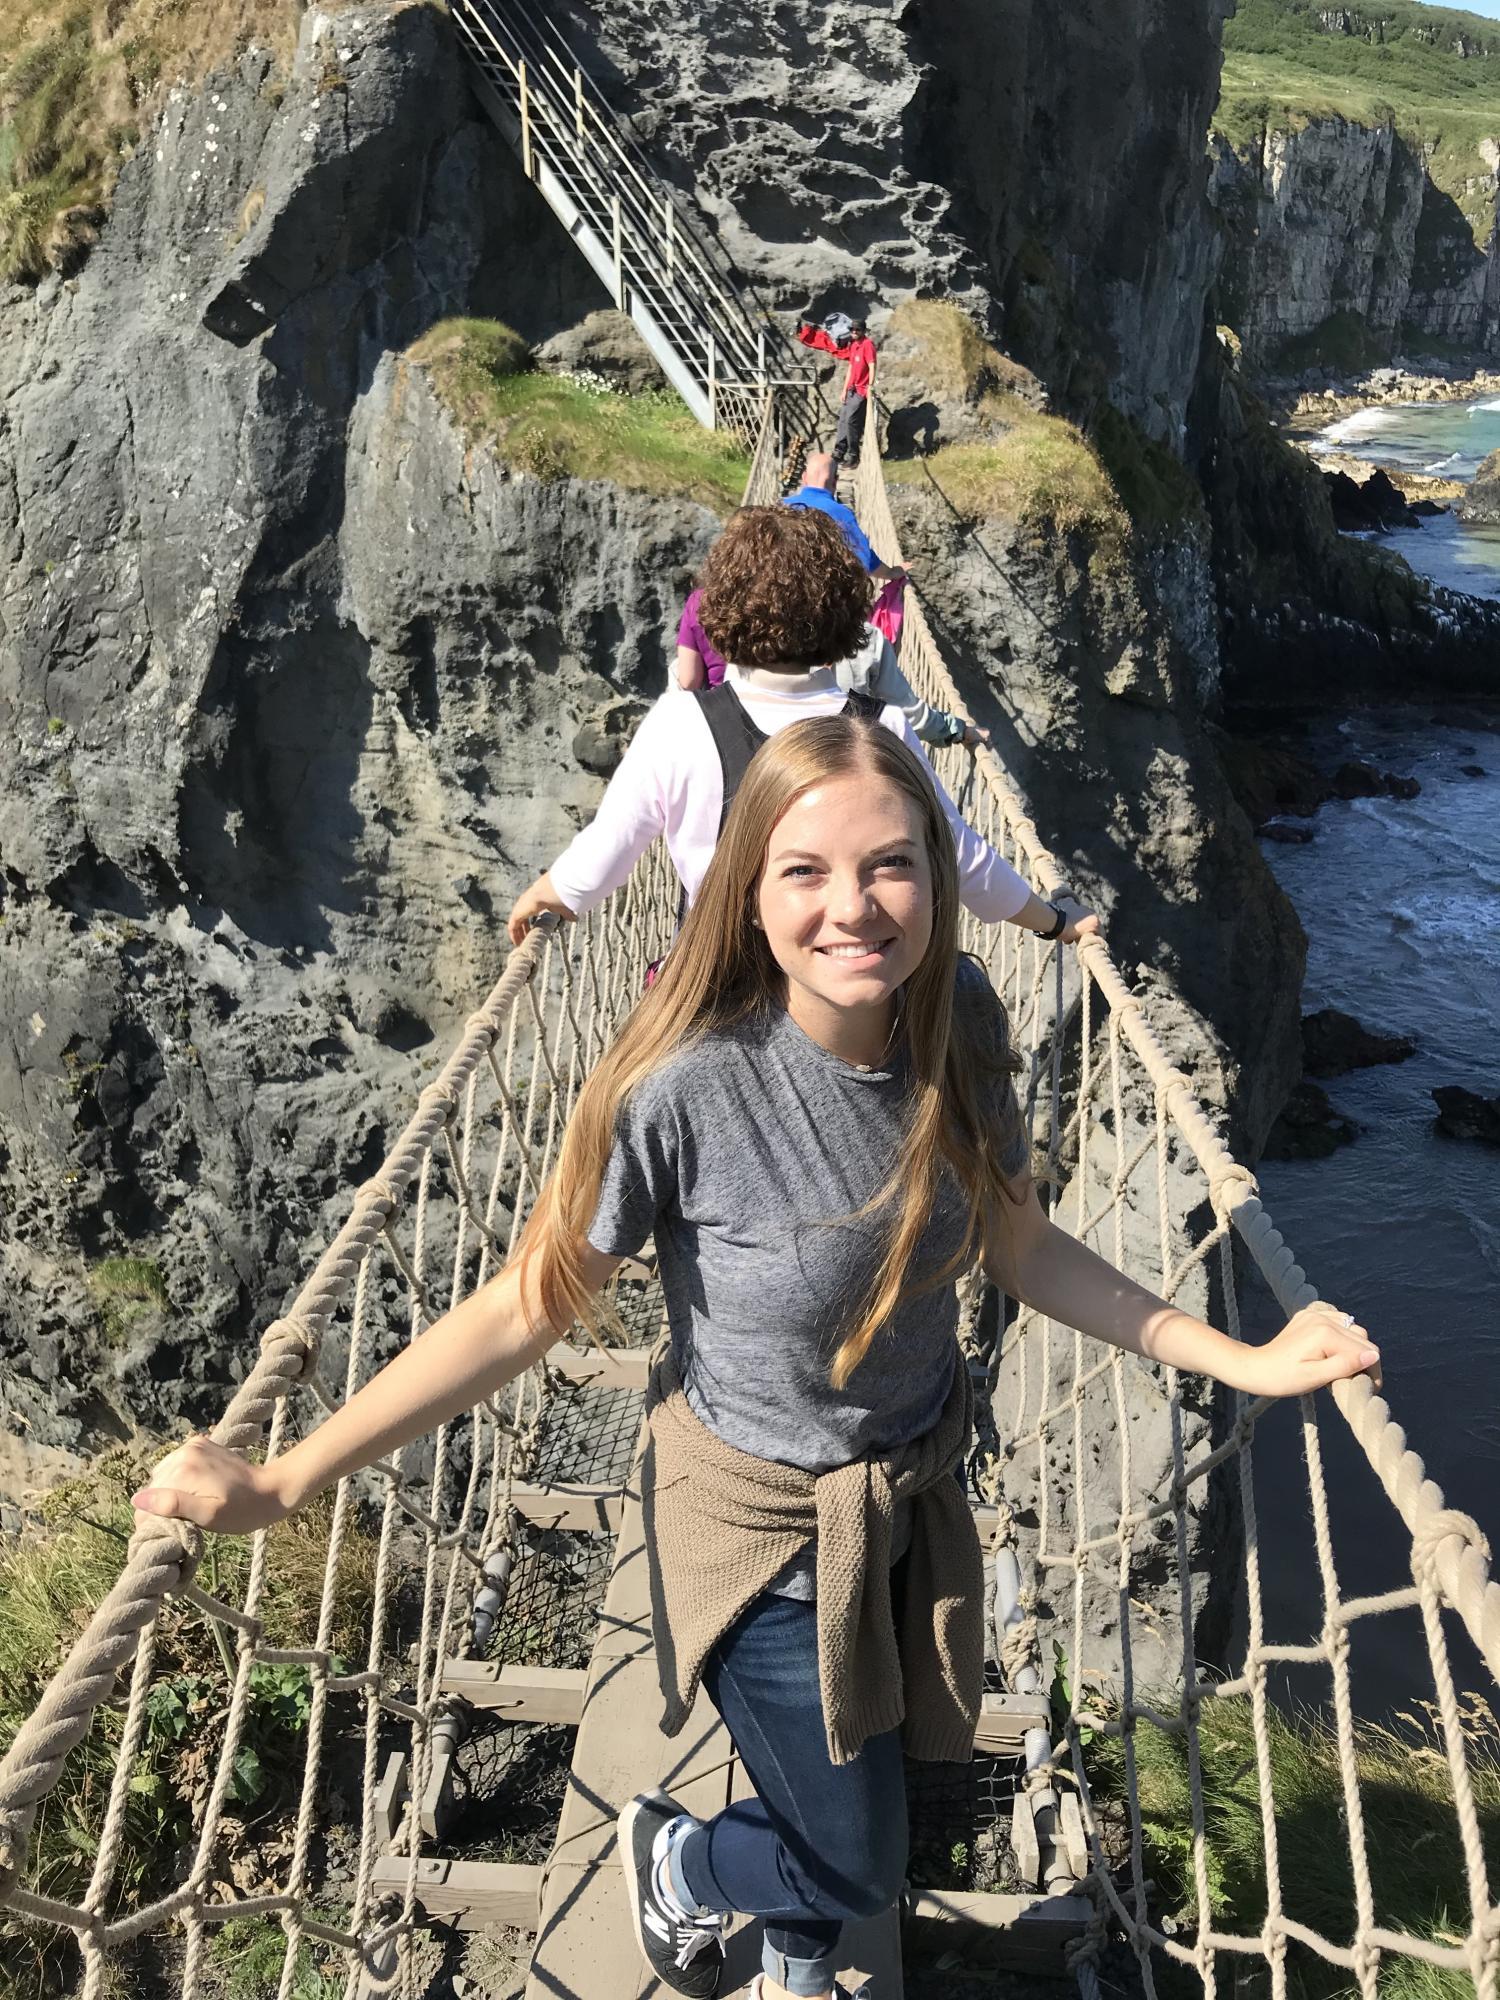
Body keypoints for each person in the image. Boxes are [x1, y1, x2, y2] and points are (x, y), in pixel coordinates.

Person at [133, 716, 1381, 2000]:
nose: (855, 907)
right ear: (747, 886)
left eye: (891, 864)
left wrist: (1238, 1354)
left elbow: (1018, 1243)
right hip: (753, 1523)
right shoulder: (681, 1082)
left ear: (942, 875)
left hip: (910, 1490)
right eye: (806, 871)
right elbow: (525, 1306)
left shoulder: (959, 1011)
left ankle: (791, 1961)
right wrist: (286, 1481)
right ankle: (677, 1861)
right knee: (861, 1857)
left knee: (878, 1792)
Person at [509, 508, 1070, 947]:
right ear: (848, 617)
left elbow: (611, 846)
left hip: (716, 986)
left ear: (717, 609)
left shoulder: (678, 724)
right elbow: (960, 857)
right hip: (843, 971)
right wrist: (1053, 922)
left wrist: (551, 892)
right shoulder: (884, 728)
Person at [782, 452, 905, 584]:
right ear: (835, 481)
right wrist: (892, 572)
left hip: (782, 587)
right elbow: (864, 560)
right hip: (823, 593)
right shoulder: (841, 514)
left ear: (804, 477)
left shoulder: (781, 507)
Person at [798, 315, 877, 469]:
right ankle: (839, 451)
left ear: (863, 331)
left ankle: (853, 455)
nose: (854, 332)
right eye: (852, 330)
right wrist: (844, 389)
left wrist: (870, 386)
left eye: (857, 330)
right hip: (851, 389)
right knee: (842, 419)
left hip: (861, 390)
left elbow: (872, 366)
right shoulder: (853, 345)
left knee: (851, 422)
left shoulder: (868, 345)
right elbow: (851, 368)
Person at [674, 585, 728, 690]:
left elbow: (689, 682)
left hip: (722, 699)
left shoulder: (699, 600)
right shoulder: (767, 597)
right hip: (767, 698)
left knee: (675, 667)